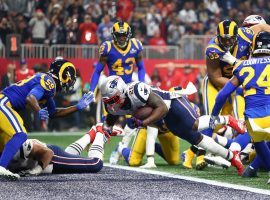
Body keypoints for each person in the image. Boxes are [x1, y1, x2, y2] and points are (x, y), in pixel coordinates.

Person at [99, 75, 246, 175]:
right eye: (109, 101)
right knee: (197, 140)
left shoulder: (136, 91)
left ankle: (228, 120)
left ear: (123, 91)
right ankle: (231, 156)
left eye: (114, 99)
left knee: (194, 125)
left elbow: (161, 107)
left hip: (171, 103)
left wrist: (143, 122)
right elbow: (110, 118)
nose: (112, 103)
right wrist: (106, 129)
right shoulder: (114, 105)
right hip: (164, 117)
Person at [0, 59, 94, 180]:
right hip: (4, 104)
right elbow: (30, 98)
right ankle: (1, 167)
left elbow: (53, 113)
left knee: (5, 142)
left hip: (5, 104)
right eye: (69, 79)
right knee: (20, 135)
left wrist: (77, 107)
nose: (69, 83)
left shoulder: (48, 84)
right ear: (62, 75)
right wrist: (38, 110)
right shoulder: (49, 82)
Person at [183, 19, 253, 170]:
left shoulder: (247, 37)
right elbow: (215, 77)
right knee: (211, 120)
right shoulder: (213, 49)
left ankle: (236, 152)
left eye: (230, 39)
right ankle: (197, 155)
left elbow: (260, 28)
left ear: (237, 36)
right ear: (218, 36)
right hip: (216, 84)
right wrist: (237, 86)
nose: (227, 42)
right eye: (224, 39)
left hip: (236, 83)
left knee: (241, 121)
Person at [211, 31, 270, 182]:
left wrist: (214, 115)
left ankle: (252, 169)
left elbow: (222, 95)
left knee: (258, 141)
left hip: (253, 118)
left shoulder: (243, 66)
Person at [89, 21, 146, 165]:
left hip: (129, 88)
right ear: (114, 35)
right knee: (106, 124)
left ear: (128, 35)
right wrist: (91, 91)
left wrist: (141, 83)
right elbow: (97, 71)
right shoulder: (107, 48)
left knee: (135, 121)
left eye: (124, 34)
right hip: (113, 91)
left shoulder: (136, 46)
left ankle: (121, 148)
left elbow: (141, 67)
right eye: (119, 35)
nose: (122, 37)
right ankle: (97, 151)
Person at [7, 123, 123, 176]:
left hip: (51, 158)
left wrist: (37, 169)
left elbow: (48, 153)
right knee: (68, 154)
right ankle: (92, 133)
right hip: (49, 158)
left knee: (95, 164)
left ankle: (100, 132)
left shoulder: (16, 147)